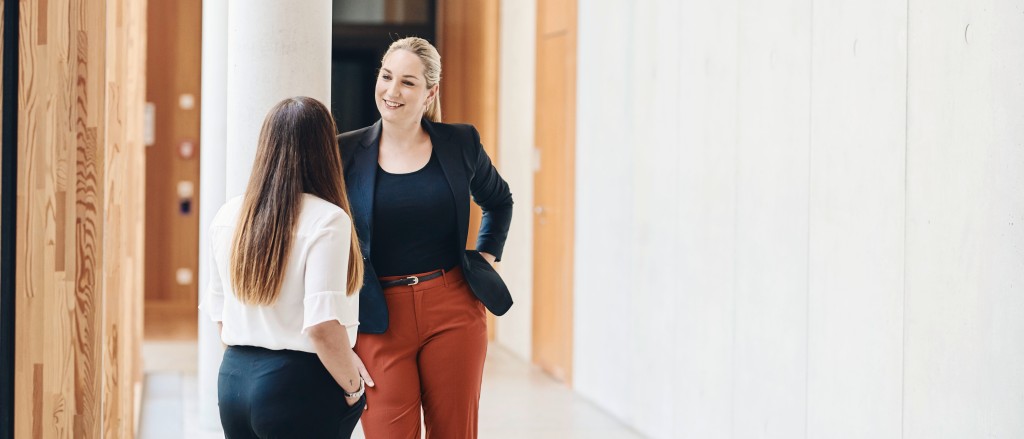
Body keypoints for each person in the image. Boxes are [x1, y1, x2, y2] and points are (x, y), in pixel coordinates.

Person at [338, 37, 514, 439]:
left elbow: (499, 201)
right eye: (386, 77)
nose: (392, 91)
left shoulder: (460, 143)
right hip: (377, 315)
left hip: (453, 307)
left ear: (430, 93)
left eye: (408, 82)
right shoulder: (344, 152)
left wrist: (486, 258)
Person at [200, 96, 367, 438]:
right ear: (325, 149)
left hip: (233, 382)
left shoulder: (229, 215)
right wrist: (354, 387)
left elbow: (219, 314)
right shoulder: (328, 220)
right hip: (298, 384)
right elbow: (322, 326)